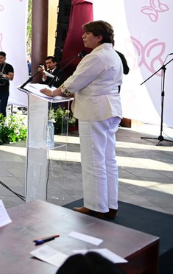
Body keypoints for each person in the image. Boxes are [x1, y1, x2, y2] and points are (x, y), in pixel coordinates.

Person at [42, 21, 123, 220]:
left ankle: (96, 206)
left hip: (94, 111)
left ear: (99, 37)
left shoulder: (96, 56)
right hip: (109, 108)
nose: (83, 37)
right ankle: (110, 204)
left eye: (87, 34)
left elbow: (76, 81)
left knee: (92, 159)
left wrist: (54, 92)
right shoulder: (113, 54)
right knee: (107, 159)